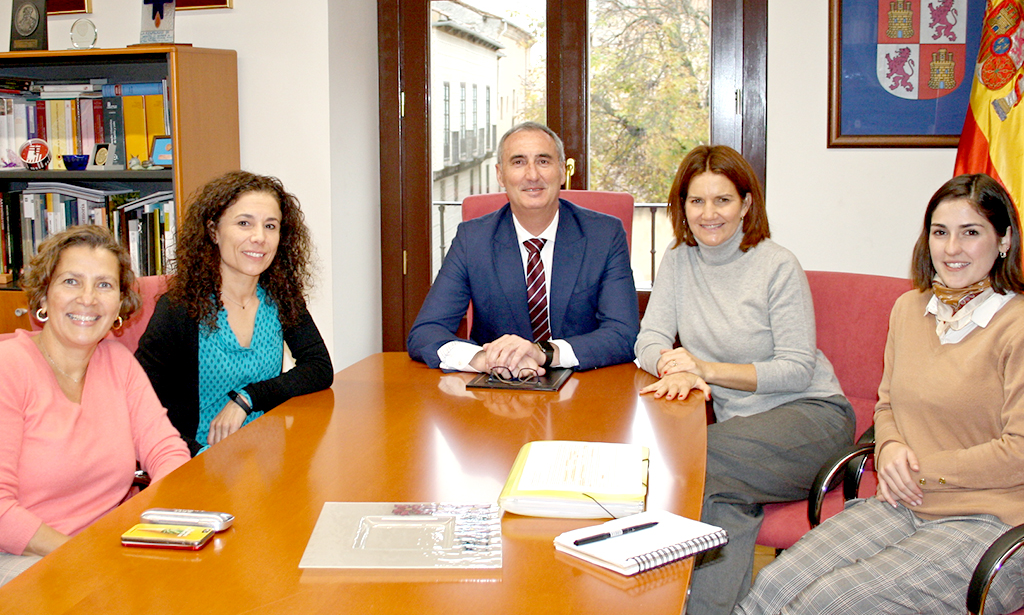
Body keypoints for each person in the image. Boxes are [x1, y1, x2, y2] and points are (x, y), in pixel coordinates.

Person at [735, 173, 1024, 615]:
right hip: (902, 502)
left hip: (991, 522)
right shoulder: (910, 309)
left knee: (830, 602)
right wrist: (888, 447)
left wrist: (920, 471)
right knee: (774, 584)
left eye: (971, 233)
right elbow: (887, 404)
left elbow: (1019, 452)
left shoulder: (1016, 326)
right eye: (940, 232)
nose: (952, 249)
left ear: (1003, 240)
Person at [635, 145, 855, 615]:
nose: (708, 213)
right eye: (697, 201)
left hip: (811, 419)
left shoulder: (777, 265)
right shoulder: (679, 260)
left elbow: (796, 368)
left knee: (690, 459)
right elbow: (649, 338)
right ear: (682, 206)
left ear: (746, 204)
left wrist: (705, 369)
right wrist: (672, 365)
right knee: (722, 499)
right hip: (743, 438)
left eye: (723, 200)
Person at [0, 226, 188, 586]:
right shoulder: (8, 367)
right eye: (71, 281)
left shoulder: (117, 361)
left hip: (103, 548)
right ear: (44, 296)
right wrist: (86, 556)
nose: (87, 299)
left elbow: (166, 451)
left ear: (119, 304)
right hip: (19, 555)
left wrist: (168, 522)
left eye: (104, 285)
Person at [407, 121, 639, 374]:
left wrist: (542, 353)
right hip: (498, 385)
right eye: (518, 162)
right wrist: (484, 359)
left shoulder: (604, 235)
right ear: (500, 175)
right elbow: (425, 332)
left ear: (562, 171)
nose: (532, 175)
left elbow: (623, 334)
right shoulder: (472, 240)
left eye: (543, 161)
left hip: (583, 384)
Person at [136, 171, 333, 455]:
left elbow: (319, 367)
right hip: (198, 460)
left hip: (267, 456)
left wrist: (248, 397)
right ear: (213, 232)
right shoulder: (180, 309)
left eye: (270, 226)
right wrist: (199, 457)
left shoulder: (281, 297)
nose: (259, 237)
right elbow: (141, 406)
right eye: (244, 223)